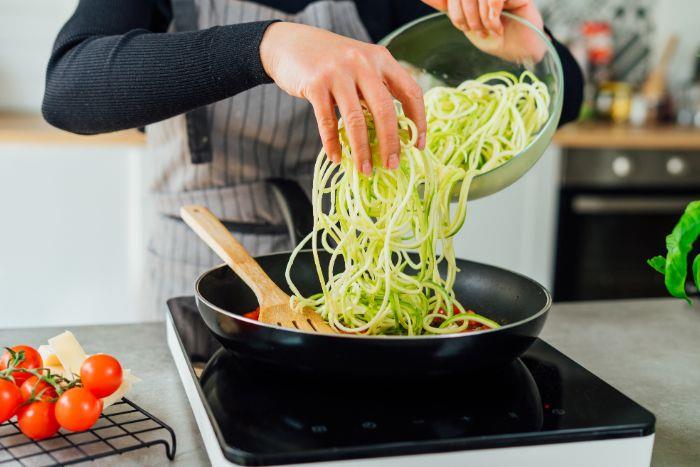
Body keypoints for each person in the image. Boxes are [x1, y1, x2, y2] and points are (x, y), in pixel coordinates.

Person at [43, 0, 583, 319]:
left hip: (368, 286)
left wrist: (529, 49)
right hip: (201, 286)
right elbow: (68, 89)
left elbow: (570, 97)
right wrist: (266, 46)